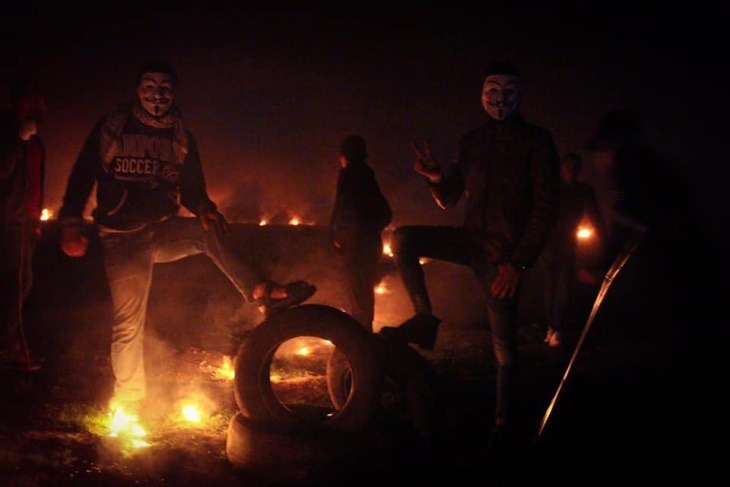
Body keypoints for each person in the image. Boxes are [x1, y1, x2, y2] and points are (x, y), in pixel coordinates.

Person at [57, 61, 315, 413]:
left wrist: (205, 207)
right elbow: (82, 175)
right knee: (129, 320)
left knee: (208, 231)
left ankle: (260, 291)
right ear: (138, 90)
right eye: (150, 87)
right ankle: (128, 401)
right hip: (122, 237)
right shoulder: (113, 128)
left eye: (164, 88)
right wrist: (71, 222)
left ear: (173, 93)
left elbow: (192, 187)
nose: (157, 95)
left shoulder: (180, 137)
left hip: (162, 230)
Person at [379, 61, 560, 453]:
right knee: (404, 237)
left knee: (504, 348)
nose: (499, 99)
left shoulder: (536, 141)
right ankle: (425, 318)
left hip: (502, 259)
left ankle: (503, 423)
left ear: (519, 95)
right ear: (481, 95)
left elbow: (546, 208)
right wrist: (434, 177)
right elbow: (449, 198)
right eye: (492, 91)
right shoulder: (472, 141)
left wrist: (518, 263)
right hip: (469, 240)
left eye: (508, 91)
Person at [537, 152, 607, 348]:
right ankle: (552, 328)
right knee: (552, 286)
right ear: (562, 168)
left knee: (562, 286)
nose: (571, 170)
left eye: (574, 167)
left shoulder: (581, 190)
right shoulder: (554, 189)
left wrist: (603, 238)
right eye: (569, 166)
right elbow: (540, 214)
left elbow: (595, 215)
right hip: (550, 245)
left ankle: (554, 328)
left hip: (565, 244)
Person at [0, 80, 47, 372]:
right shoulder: (9, 133)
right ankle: (8, 348)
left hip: (25, 223)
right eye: (28, 102)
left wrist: (35, 219)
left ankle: (11, 345)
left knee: (18, 285)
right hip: (7, 222)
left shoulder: (36, 140)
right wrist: (18, 139)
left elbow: (35, 181)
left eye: (37, 103)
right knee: (15, 286)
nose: (34, 108)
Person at [329, 134, 392, 331]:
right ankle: (364, 336)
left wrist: (341, 237)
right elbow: (385, 213)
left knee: (355, 294)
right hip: (369, 243)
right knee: (363, 294)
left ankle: (360, 340)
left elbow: (345, 210)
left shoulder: (349, 175)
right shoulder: (367, 175)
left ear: (343, 155)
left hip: (355, 246)